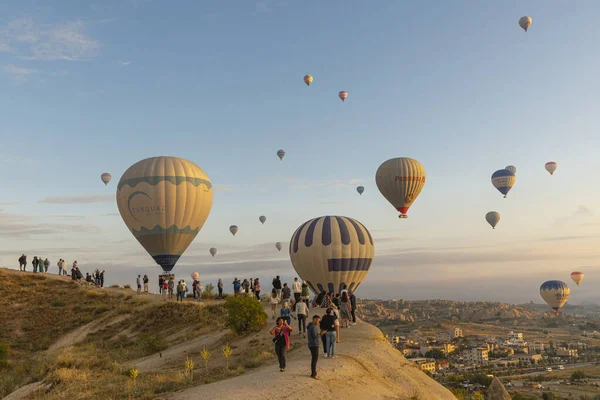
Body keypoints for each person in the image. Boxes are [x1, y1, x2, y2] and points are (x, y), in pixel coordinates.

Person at [307, 315, 321, 379]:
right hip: (314, 345)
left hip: (311, 344)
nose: (318, 322)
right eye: (318, 320)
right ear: (315, 319)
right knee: (314, 360)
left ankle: (313, 373)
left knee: (313, 359)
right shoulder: (313, 327)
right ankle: (313, 374)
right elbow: (315, 336)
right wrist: (321, 334)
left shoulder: (310, 326)